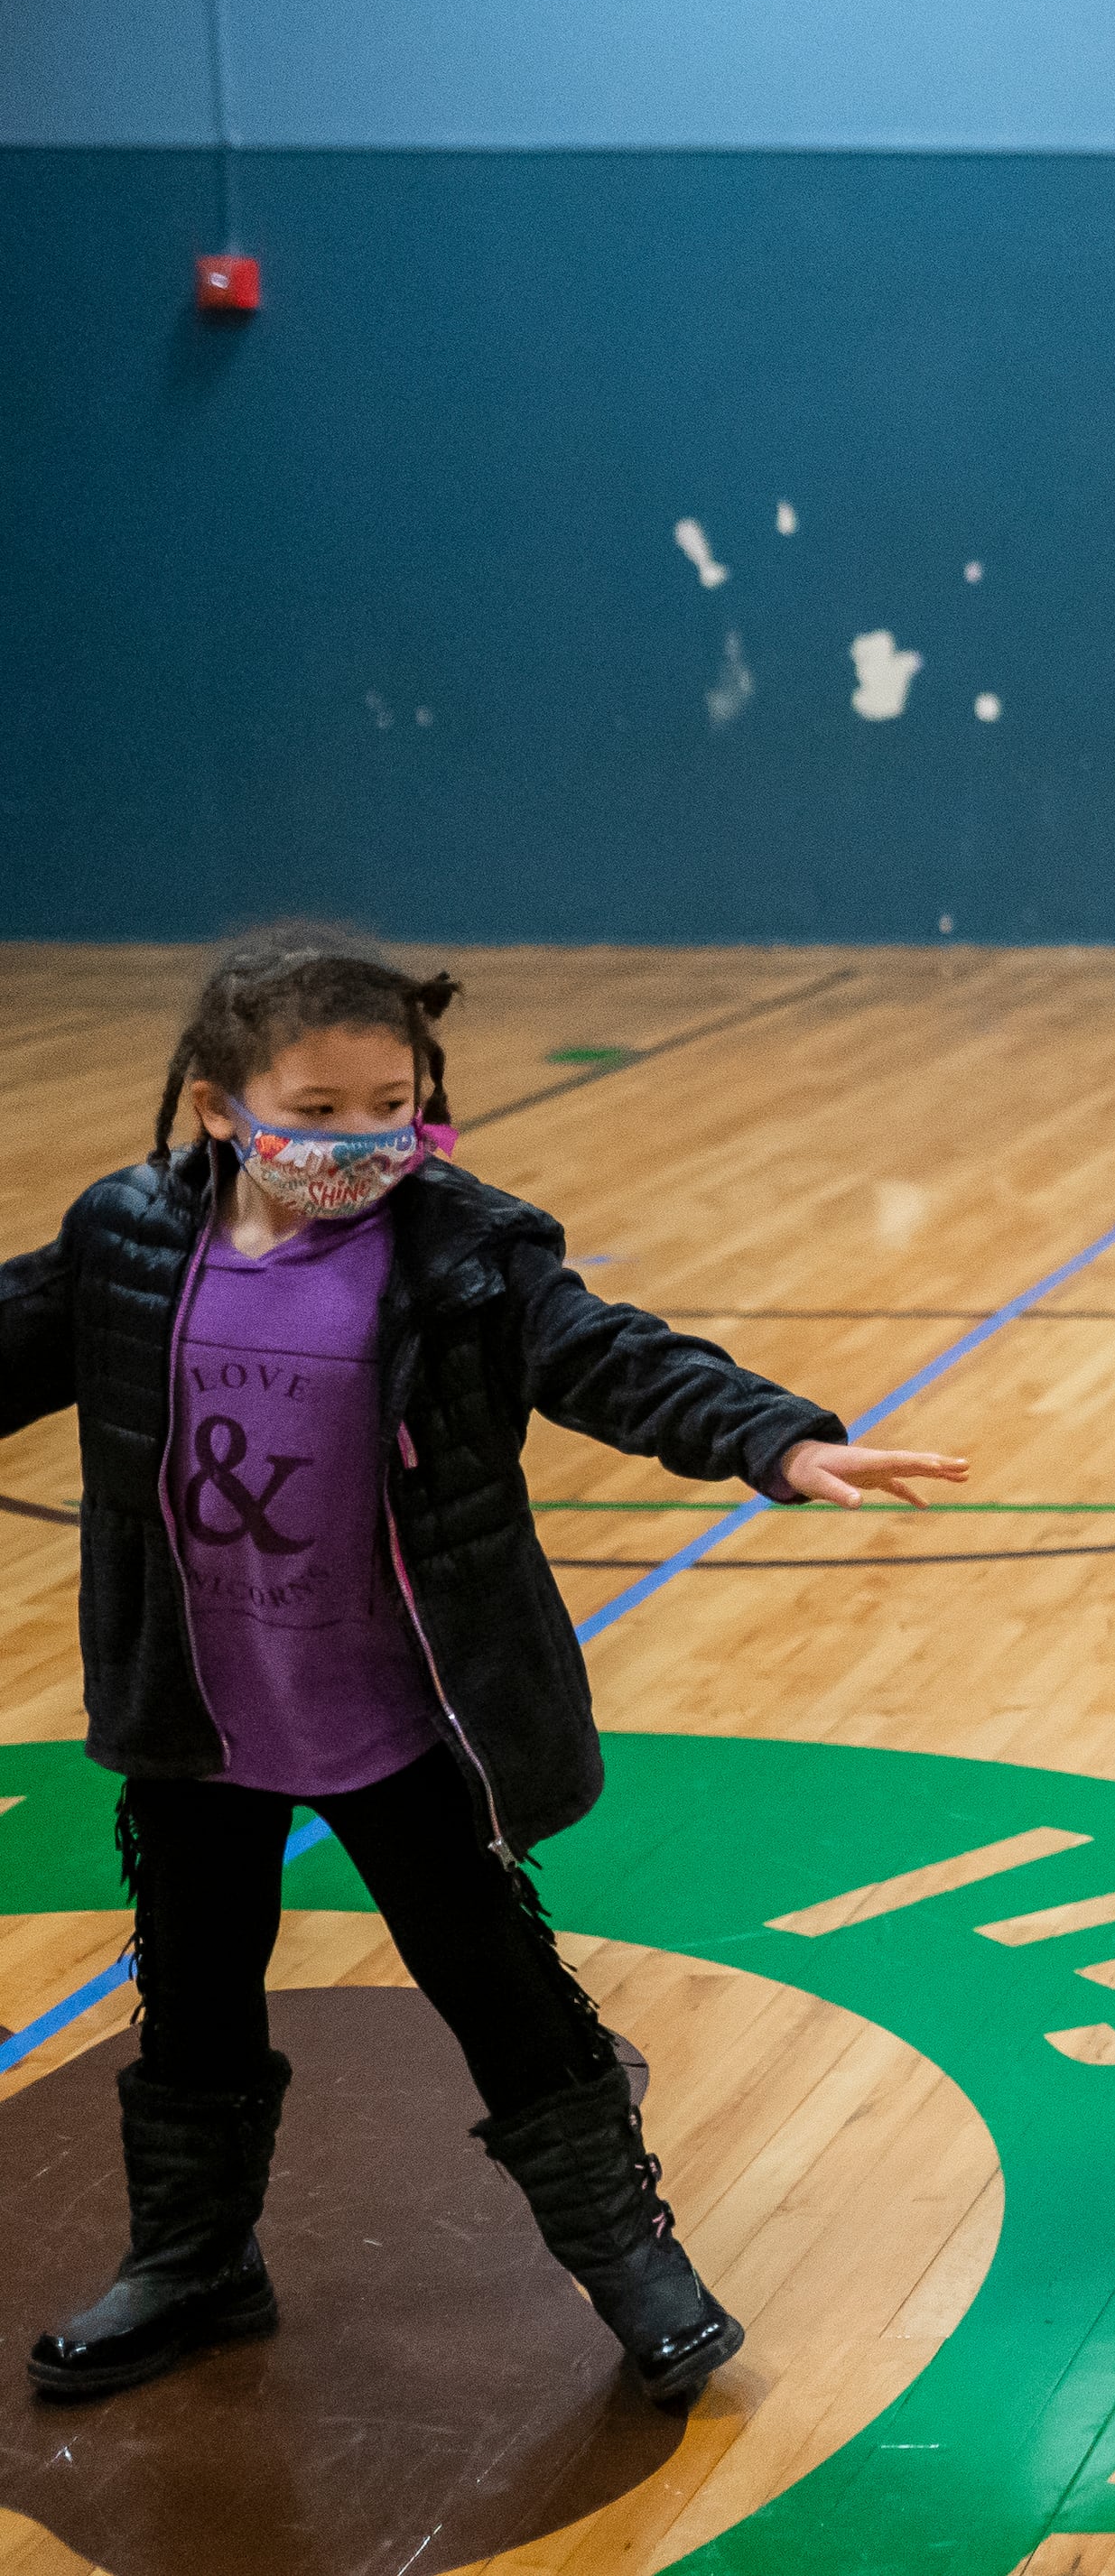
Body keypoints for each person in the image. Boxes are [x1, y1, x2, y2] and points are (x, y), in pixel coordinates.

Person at [0, 931, 964, 2406]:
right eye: (315, 1110)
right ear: (217, 1106)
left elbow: (608, 1354)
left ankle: (633, 2264)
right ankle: (193, 2260)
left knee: (497, 1984)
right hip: (198, 1709)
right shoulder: (127, 1240)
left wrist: (773, 1432)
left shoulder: (462, 1249)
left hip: (398, 1716)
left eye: (390, 1103)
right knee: (194, 1990)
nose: (357, 1141)